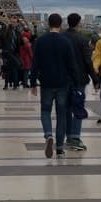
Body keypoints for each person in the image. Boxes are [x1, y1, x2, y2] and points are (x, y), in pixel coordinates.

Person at [30, 13, 80, 159]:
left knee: (45, 111)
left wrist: (32, 82)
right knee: (62, 115)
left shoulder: (40, 41)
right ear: (61, 24)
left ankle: (48, 134)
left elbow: (35, 64)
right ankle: (59, 148)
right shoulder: (66, 41)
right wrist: (76, 84)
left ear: (47, 24)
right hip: (62, 83)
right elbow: (72, 65)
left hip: (46, 82)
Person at [64, 12, 99, 151]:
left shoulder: (61, 38)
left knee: (65, 109)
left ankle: (67, 136)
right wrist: (95, 79)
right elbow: (88, 62)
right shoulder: (82, 40)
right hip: (79, 79)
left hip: (64, 79)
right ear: (78, 23)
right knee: (78, 108)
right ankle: (75, 137)